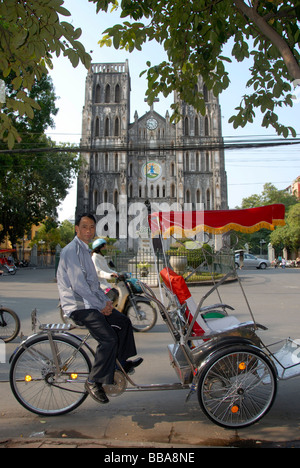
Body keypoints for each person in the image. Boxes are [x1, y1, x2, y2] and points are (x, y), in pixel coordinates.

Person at [57, 213, 143, 405]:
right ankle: (93, 381)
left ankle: (119, 364)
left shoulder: (86, 251)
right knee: (109, 338)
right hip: (78, 307)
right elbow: (79, 286)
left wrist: (105, 302)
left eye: (92, 227)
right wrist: (99, 305)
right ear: (77, 229)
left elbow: (93, 283)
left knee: (124, 321)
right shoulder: (71, 252)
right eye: (84, 227)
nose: (89, 231)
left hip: (91, 304)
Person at [91, 238, 119, 303]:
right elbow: (98, 272)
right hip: (98, 285)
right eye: (104, 246)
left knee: (116, 294)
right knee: (112, 296)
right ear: (99, 248)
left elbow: (107, 269)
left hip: (104, 283)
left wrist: (117, 273)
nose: (106, 248)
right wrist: (110, 275)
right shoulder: (94, 258)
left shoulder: (101, 258)